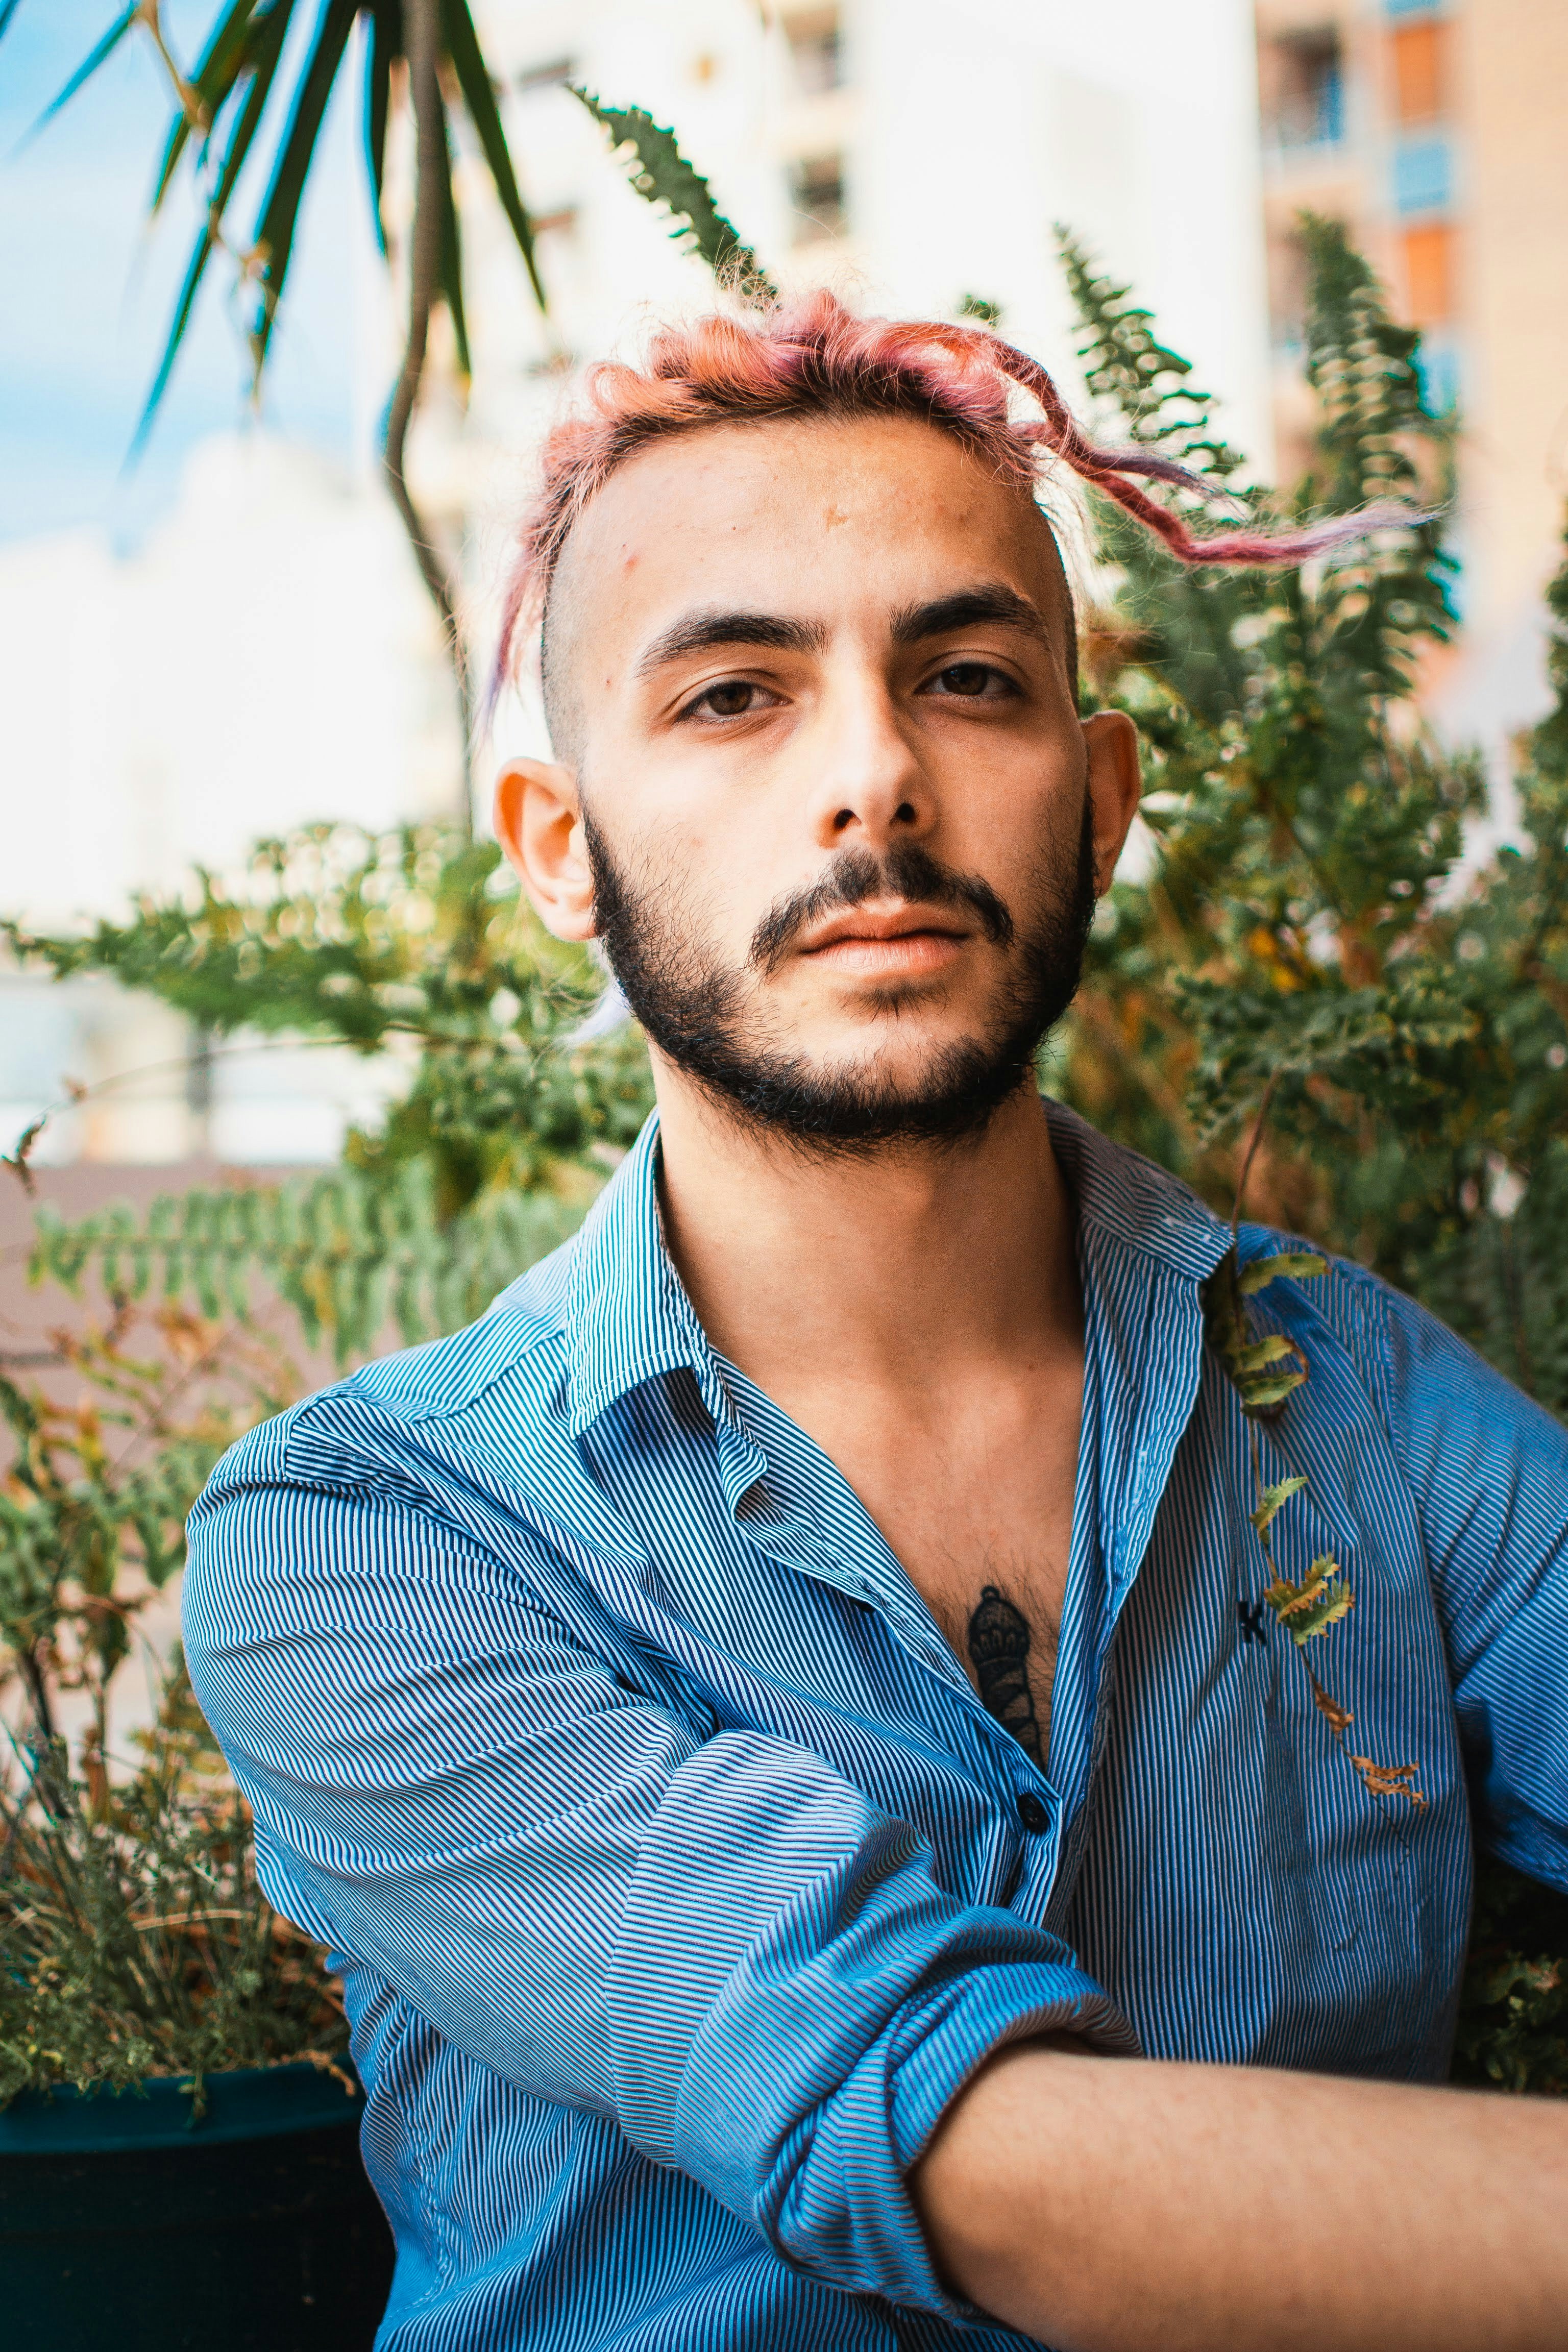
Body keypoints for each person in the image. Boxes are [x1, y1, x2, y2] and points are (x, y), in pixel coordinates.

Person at [184, 293, 1568, 2352]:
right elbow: (973, 2160)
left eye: (971, 676)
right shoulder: (363, 1545)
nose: (874, 779)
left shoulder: (1358, 1409)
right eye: (735, 696)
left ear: (1096, 797)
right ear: (560, 848)